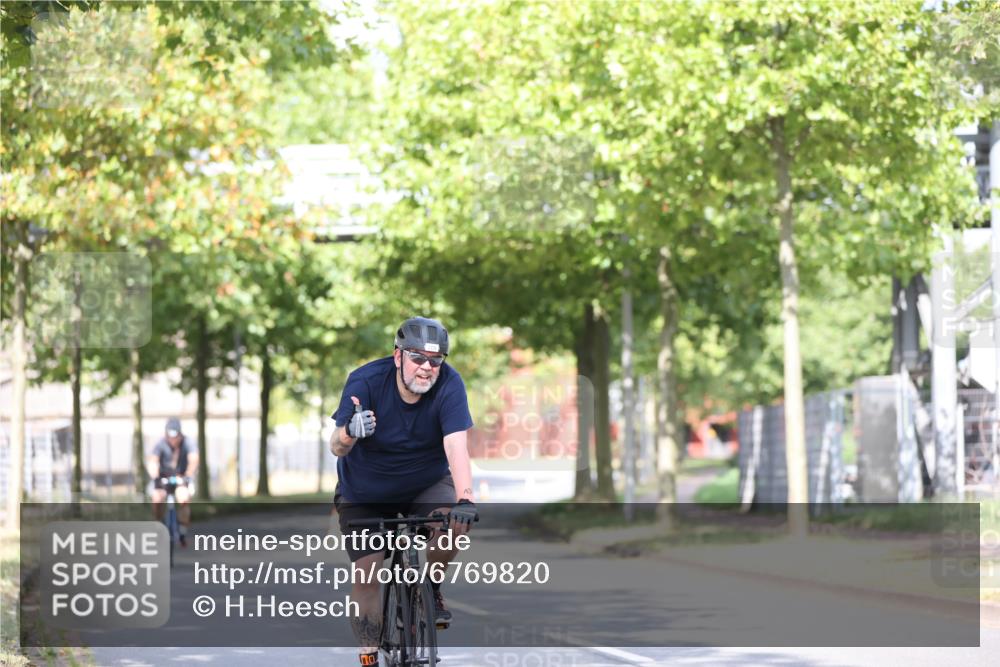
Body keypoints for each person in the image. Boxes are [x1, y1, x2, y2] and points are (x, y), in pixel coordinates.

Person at [330, 317, 477, 667]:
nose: (427, 367)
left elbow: (457, 445)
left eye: (436, 360)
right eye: (418, 357)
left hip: (424, 483)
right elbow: (336, 446)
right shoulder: (365, 381)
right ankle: (368, 658)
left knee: (451, 525)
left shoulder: (450, 384)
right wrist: (350, 430)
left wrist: (466, 498)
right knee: (367, 573)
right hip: (365, 491)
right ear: (398, 356)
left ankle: (431, 588)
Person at [147, 417, 198, 546]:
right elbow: (153, 461)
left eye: (176, 436)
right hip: (163, 479)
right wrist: (155, 476)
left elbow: (194, 460)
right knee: (157, 498)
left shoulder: (188, 443)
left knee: (184, 498)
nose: (173, 439)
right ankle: (158, 524)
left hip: (181, 479)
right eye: (170, 436)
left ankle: (182, 532)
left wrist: (188, 474)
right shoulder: (160, 444)